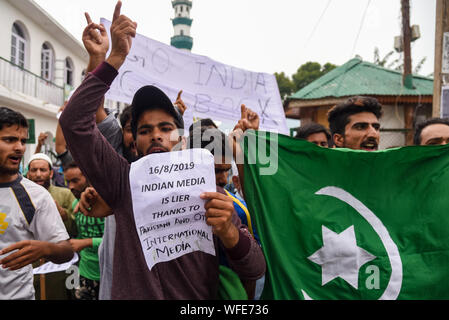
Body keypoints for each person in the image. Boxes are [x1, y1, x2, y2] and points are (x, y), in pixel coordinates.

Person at [59, 1, 265, 299]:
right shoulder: (121, 182)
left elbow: (255, 270)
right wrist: (114, 58)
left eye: (165, 128)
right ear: (136, 143)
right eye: (144, 130)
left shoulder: (212, 195)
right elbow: (74, 121)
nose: (155, 135)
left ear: (181, 139)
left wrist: (230, 234)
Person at [0, 107, 73, 300]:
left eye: (22, 141)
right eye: (9, 140)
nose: (20, 147)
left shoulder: (36, 196)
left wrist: (45, 249)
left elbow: (65, 250)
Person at [63, 161, 104, 300]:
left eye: (75, 180)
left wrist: (87, 242)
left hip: (108, 273)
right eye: (67, 182)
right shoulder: (76, 204)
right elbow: (80, 235)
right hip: (85, 272)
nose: (71, 187)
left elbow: (118, 240)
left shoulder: (106, 204)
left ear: (87, 177)